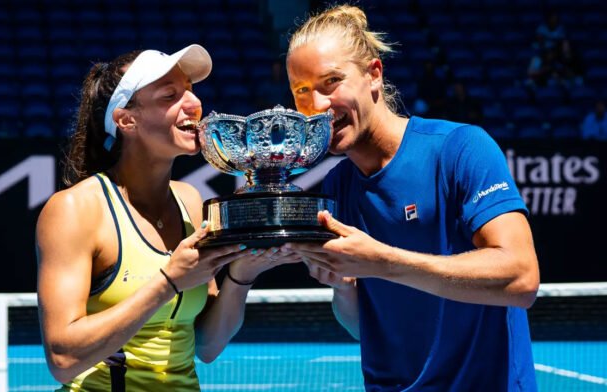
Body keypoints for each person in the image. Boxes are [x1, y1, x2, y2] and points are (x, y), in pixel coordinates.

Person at [282, 4, 540, 391]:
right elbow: (363, 326)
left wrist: (382, 261)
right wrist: (341, 284)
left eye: (331, 81)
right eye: (302, 91)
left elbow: (522, 278)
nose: (316, 105)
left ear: (374, 74)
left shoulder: (460, 148)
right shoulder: (336, 188)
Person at [36, 44, 297, 391]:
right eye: (169, 95)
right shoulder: (74, 209)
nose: (194, 104)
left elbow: (206, 346)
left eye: (190, 90)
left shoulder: (189, 201)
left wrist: (242, 273)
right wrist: (169, 282)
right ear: (127, 120)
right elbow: (62, 360)